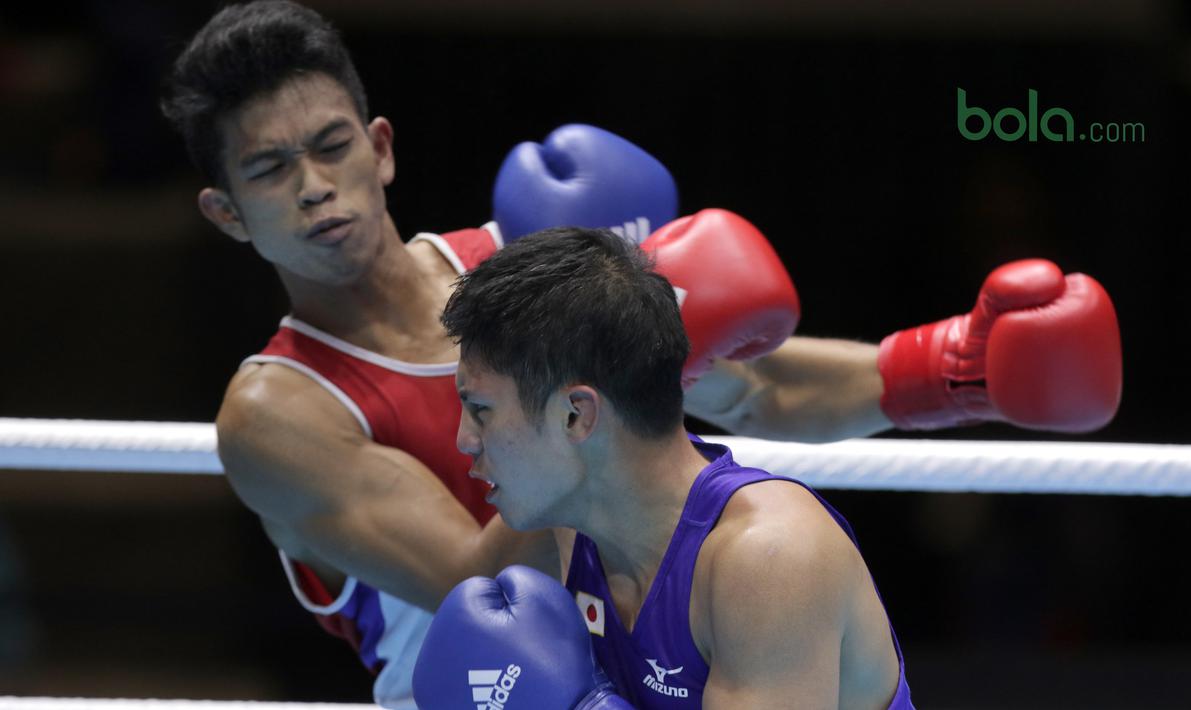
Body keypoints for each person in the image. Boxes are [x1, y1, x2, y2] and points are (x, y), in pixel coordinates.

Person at [159, 1, 1121, 706]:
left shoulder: (521, 264)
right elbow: (476, 588)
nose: (316, 187)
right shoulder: (280, 410)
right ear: (226, 212)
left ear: (381, 148)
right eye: (269, 168)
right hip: (479, 687)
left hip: (645, 645)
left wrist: (953, 372)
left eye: (330, 147)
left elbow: (751, 386)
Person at [413, 227, 912, 709]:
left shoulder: (768, 559)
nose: (465, 440)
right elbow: (463, 598)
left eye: (481, 409)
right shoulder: (565, 518)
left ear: (576, 414)